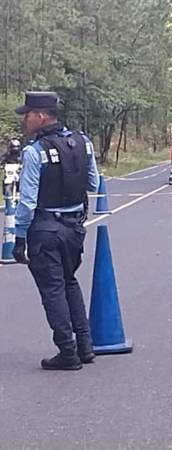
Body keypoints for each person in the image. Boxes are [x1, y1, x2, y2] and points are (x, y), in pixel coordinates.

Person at [12, 91, 99, 370]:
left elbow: (26, 201)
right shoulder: (82, 142)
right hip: (74, 226)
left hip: (45, 228)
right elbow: (93, 183)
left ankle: (67, 352)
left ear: (40, 116)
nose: (24, 121)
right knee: (69, 281)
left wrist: (19, 237)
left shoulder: (34, 151)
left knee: (52, 289)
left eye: (26, 116)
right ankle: (85, 346)